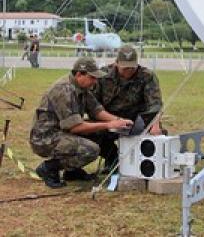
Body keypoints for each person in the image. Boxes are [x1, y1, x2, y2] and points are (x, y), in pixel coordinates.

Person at [30, 57, 133, 188]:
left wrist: (119, 121)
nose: (95, 82)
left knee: (100, 134)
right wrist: (108, 125)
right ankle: (49, 168)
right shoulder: (64, 90)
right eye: (92, 78)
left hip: (61, 131)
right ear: (79, 74)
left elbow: (96, 110)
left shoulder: (81, 88)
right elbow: (75, 127)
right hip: (45, 138)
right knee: (90, 150)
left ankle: (72, 172)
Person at [93, 45, 165, 168]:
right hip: (108, 119)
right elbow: (93, 104)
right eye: (125, 68)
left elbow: (155, 103)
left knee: (157, 136)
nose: (128, 71)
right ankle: (112, 158)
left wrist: (155, 124)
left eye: (132, 67)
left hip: (137, 120)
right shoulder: (103, 75)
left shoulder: (147, 76)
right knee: (90, 133)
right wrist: (112, 121)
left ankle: (147, 166)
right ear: (116, 63)